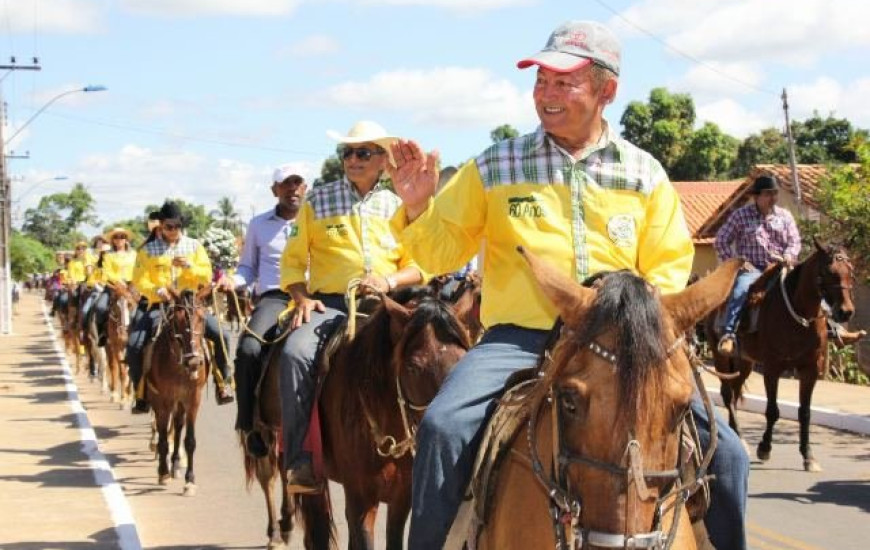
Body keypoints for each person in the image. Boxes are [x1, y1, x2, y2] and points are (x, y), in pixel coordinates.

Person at [388, 21, 749, 550]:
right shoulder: (494, 165)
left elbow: (670, 268)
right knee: (443, 427)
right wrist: (418, 206)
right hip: (519, 338)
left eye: (564, 83)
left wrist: (635, 323)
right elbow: (442, 253)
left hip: (628, 347)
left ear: (606, 91)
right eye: (541, 82)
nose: (546, 95)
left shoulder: (645, 174)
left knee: (732, 457)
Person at [278, 120, 424, 493]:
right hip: (330, 307)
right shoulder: (318, 200)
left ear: (382, 160)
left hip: (387, 304)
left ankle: (433, 457)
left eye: (363, 153)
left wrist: (389, 281)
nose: (353, 159)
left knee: (435, 357)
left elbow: (421, 264)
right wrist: (301, 298)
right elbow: (293, 262)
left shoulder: (400, 204)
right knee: (295, 353)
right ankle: (300, 460)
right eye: (347, 153)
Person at [221, 166, 307, 457]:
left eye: (297, 183)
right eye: (286, 184)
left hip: (314, 297)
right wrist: (231, 280)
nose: (292, 189)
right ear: (275, 190)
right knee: (248, 349)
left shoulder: (318, 219)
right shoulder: (258, 225)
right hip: (275, 297)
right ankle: (248, 422)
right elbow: (247, 267)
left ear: (305, 188)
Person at [127, 201, 234, 414]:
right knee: (134, 345)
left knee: (221, 334)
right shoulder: (147, 250)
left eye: (177, 226)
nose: (173, 231)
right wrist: (157, 290)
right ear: (161, 225)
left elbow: (206, 275)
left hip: (190, 304)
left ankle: (223, 384)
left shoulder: (194, 246)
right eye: (169, 226)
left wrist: (189, 266)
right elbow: (139, 279)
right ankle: (140, 393)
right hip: (160, 305)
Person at [714, 175, 801, 356]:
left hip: (781, 267)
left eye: (775, 193)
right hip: (753, 269)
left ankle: (834, 329)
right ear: (756, 196)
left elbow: (795, 242)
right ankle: (729, 334)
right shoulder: (740, 216)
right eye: (768, 194)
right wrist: (735, 263)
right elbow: (721, 240)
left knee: (811, 284)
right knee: (740, 290)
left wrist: (788, 255)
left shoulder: (785, 216)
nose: (773, 198)